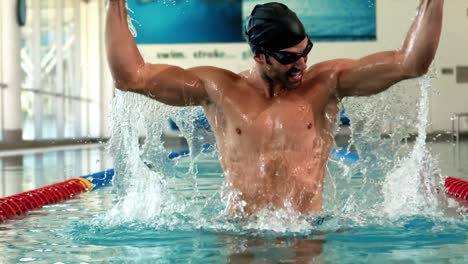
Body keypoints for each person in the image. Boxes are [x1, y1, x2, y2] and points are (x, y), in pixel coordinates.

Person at [106, 1, 444, 215]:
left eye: (306, 50)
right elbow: (131, 77)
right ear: (259, 55)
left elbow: (410, 63)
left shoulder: (326, 84)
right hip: (242, 232)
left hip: (306, 231)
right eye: (288, 58)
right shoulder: (219, 89)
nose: (301, 63)